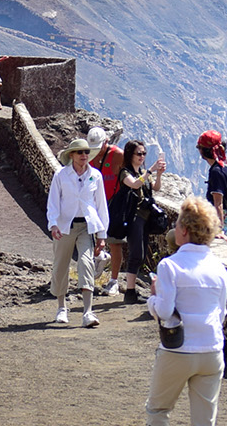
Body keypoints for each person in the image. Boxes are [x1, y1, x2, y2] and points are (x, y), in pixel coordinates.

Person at [144, 196, 227, 426]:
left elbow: (164, 311)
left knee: (158, 410)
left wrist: (152, 298)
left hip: (178, 349)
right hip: (211, 349)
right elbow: (221, 313)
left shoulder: (169, 266)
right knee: (204, 420)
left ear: (183, 230)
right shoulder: (220, 269)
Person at [45, 138, 110, 327]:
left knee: (86, 263)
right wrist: (53, 224)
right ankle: (61, 307)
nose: (84, 156)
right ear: (72, 155)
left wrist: (102, 235)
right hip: (65, 226)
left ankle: (88, 312)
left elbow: (101, 206)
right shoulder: (61, 175)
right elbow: (53, 202)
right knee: (60, 265)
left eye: (86, 152)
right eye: (80, 152)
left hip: (86, 227)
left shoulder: (95, 176)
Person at [116, 139, 166, 304]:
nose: (142, 156)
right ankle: (129, 292)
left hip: (145, 217)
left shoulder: (142, 172)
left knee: (142, 253)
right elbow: (135, 185)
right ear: (130, 154)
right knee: (136, 253)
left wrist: (158, 174)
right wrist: (150, 171)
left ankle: (132, 291)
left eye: (144, 153)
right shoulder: (125, 172)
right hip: (133, 217)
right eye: (139, 154)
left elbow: (156, 188)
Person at [88, 127, 126, 297]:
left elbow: (128, 174)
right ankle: (101, 257)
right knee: (89, 236)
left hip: (114, 203)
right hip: (93, 201)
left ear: (106, 142)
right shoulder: (87, 153)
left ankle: (114, 281)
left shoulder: (118, 155)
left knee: (115, 242)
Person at [196, 130, 227, 247]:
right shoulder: (225, 166)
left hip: (221, 222)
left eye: (199, 147)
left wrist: (218, 230)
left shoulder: (216, 172)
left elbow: (218, 203)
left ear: (204, 150)